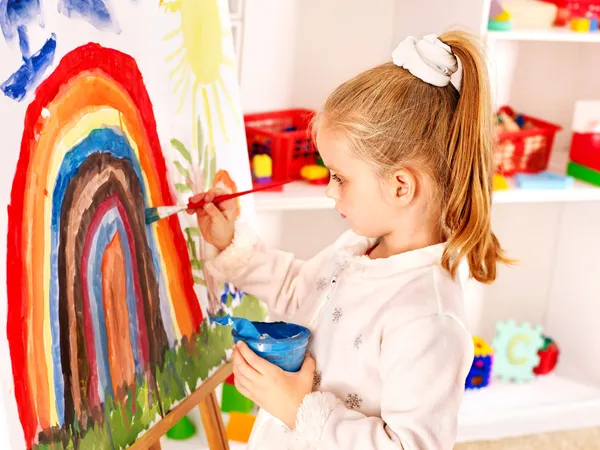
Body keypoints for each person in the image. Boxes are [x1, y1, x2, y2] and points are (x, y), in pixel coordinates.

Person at [189, 29, 510, 450]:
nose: (328, 190)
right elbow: (296, 289)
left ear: (401, 187)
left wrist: (296, 408)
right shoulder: (357, 250)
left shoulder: (428, 320)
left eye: (340, 177)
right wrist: (229, 241)